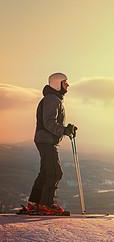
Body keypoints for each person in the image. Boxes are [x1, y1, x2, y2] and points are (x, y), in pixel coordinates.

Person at [27, 73, 77, 215]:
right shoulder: (52, 99)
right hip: (46, 140)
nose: (67, 85)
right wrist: (64, 130)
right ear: (57, 84)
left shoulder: (53, 99)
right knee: (55, 173)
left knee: (45, 172)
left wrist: (67, 129)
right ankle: (46, 205)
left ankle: (34, 203)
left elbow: (51, 122)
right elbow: (49, 123)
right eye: (65, 82)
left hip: (44, 139)